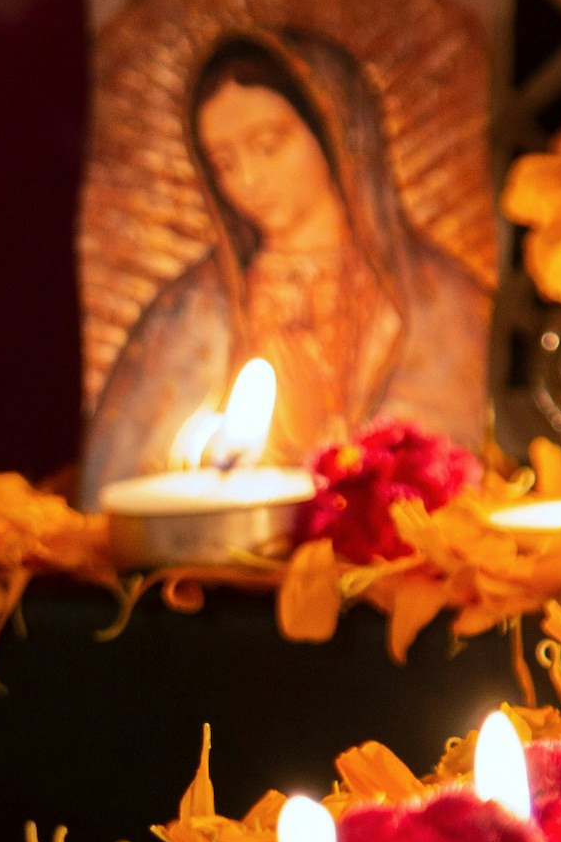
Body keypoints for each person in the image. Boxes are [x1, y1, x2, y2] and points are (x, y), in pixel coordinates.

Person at [79, 28, 490, 502]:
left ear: (335, 133)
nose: (249, 180)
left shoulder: (441, 301)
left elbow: (460, 466)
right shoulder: (190, 311)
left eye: (269, 145)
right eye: (225, 164)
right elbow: (119, 488)